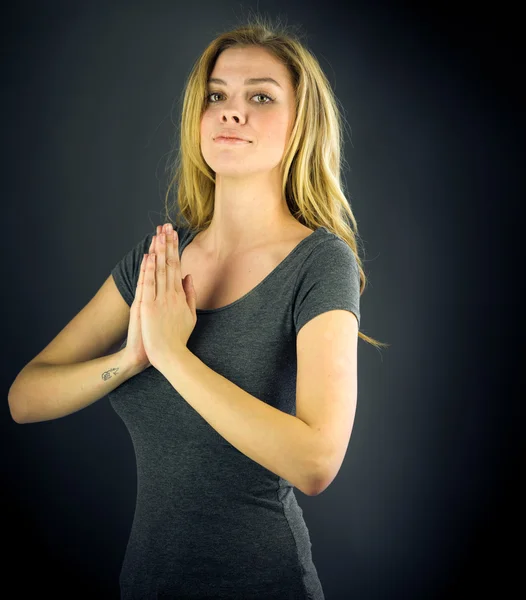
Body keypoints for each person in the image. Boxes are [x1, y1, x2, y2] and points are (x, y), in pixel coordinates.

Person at [8, 14, 387, 600]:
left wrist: (173, 357)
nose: (232, 111)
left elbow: (316, 462)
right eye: (217, 96)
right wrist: (132, 359)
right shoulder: (159, 259)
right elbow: (24, 398)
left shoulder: (320, 263)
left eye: (260, 96)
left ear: (299, 126)